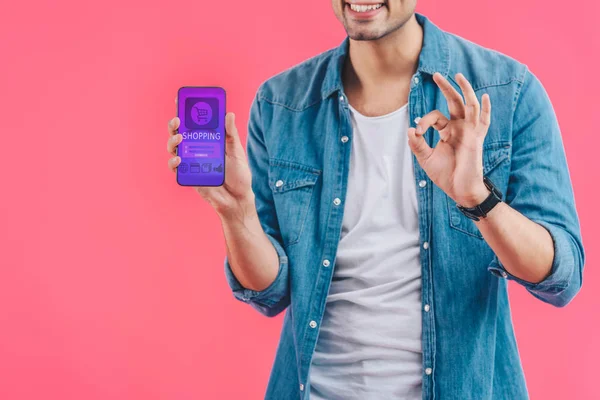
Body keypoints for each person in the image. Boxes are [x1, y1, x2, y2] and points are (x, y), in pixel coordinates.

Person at [166, 2, 585, 399]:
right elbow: (270, 293)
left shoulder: (507, 91)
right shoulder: (282, 104)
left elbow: (560, 275)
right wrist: (237, 213)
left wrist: (476, 198)